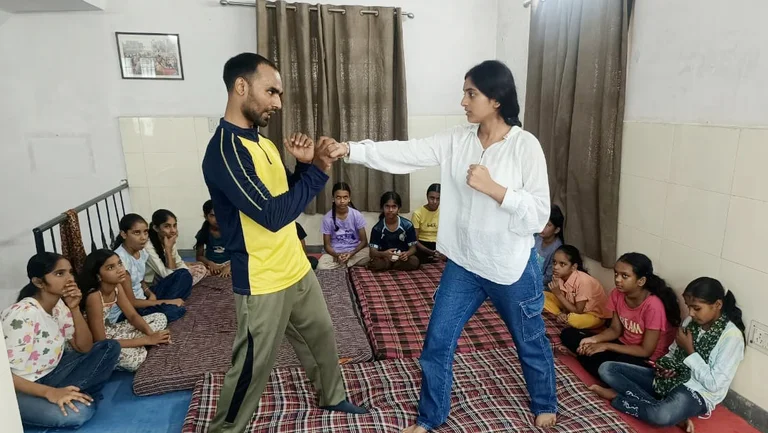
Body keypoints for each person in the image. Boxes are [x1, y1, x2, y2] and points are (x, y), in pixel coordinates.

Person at [327, 59, 557, 430]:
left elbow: (537, 216)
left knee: (530, 339)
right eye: (464, 93)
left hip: (511, 268)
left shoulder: (525, 146)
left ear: (496, 99)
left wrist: (496, 190)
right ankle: (430, 418)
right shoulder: (456, 139)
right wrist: (351, 149)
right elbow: (406, 152)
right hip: (464, 265)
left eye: (471, 93)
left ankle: (545, 401)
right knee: (436, 343)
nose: (463, 101)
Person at [201, 52, 365, 433]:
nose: (277, 102)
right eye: (271, 91)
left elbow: (285, 199)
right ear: (241, 87)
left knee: (322, 336)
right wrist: (320, 171)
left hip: (294, 265)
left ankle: (332, 396)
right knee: (252, 366)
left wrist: (306, 167)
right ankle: (225, 429)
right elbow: (272, 216)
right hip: (262, 279)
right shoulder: (225, 152)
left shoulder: (264, 145)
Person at [590, 277, 746, 432]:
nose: (690, 313)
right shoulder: (689, 323)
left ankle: (617, 398)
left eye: (696, 308)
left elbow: (714, 384)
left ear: (717, 305)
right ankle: (669, 411)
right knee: (607, 368)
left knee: (661, 416)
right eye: (688, 307)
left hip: (697, 392)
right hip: (670, 380)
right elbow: (671, 354)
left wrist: (690, 351)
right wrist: (664, 367)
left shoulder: (731, 337)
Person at [2, 253, 120, 429]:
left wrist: (74, 309)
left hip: (51, 373)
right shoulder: (23, 314)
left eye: (70, 272)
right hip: (17, 389)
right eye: (60, 274)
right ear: (38, 282)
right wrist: (50, 393)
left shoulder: (58, 305)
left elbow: (85, 347)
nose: (70, 279)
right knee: (80, 413)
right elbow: (5, 375)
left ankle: (72, 395)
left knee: (109, 347)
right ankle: (75, 397)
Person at [560, 252, 681, 379]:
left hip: (643, 357)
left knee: (608, 366)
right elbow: (615, 330)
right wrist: (594, 340)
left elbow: (646, 350)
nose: (617, 279)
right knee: (569, 334)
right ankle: (590, 360)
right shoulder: (617, 294)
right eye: (616, 273)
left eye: (625, 276)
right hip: (622, 344)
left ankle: (589, 361)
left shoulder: (653, 306)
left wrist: (605, 345)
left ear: (641, 281)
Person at [79, 249, 171, 372]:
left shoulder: (117, 286)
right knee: (134, 361)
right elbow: (101, 341)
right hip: (97, 343)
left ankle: (141, 346)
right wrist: (147, 340)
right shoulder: (94, 296)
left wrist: (151, 334)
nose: (119, 269)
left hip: (111, 330)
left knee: (160, 317)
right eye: (111, 267)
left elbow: (132, 315)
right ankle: (140, 347)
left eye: (120, 263)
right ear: (98, 276)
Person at [112, 213, 190, 323]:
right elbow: (131, 302)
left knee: (184, 274)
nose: (143, 237)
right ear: (124, 234)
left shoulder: (141, 251)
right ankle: (166, 305)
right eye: (136, 233)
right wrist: (167, 302)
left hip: (144, 298)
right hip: (130, 309)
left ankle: (165, 304)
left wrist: (150, 293)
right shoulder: (120, 261)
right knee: (175, 311)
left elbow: (140, 280)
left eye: (145, 232)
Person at [543, 245, 611, 329]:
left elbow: (578, 311)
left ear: (573, 267)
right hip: (571, 308)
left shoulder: (583, 281)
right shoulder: (559, 276)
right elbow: (566, 299)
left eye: (562, 264)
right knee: (542, 296)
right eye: (554, 262)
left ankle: (565, 318)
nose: (556, 267)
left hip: (592, 315)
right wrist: (562, 313)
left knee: (572, 319)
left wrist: (558, 294)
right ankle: (559, 315)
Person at [145, 208, 208, 286]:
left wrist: (187, 271)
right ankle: (181, 287)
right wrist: (168, 250)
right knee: (180, 278)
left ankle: (182, 285)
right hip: (153, 282)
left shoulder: (169, 238)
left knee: (200, 267)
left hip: (169, 273)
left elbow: (178, 264)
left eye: (174, 225)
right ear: (156, 228)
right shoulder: (148, 246)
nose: (173, 230)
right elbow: (167, 275)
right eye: (167, 226)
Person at [316, 182, 370, 270]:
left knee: (369, 255)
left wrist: (351, 254)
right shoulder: (327, 218)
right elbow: (327, 245)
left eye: (345, 197)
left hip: (354, 251)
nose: (342, 201)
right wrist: (337, 255)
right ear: (333, 199)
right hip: (335, 252)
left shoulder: (356, 215)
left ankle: (342, 264)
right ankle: (348, 264)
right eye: (338, 197)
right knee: (321, 266)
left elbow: (364, 241)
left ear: (349, 199)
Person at [368, 191, 420, 272]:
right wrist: (384, 254)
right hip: (385, 257)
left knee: (414, 261)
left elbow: (413, 248)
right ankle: (391, 265)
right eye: (387, 206)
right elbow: (372, 252)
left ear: (399, 208)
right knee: (376, 264)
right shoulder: (377, 228)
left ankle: (392, 266)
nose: (390, 210)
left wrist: (406, 254)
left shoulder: (407, 225)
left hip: (401, 258)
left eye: (394, 206)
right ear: (382, 208)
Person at [195, 200, 232, 278]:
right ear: (206, 217)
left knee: (245, 266)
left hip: (229, 263)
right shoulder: (203, 233)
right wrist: (209, 263)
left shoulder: (231, 231)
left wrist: (229, 266)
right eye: (213, 215)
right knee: (197, 269)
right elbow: (199, 256)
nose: (217, 219)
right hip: (211, 264)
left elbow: (240, 253)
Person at [412, 183, 444, 264]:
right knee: (414, 260)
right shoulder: (418, 213)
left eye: (438, 199)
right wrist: (430, 252)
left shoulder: (444, 213)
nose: (434, 202)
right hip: (423, 245)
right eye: (432, 198)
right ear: (427, 196)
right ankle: (431, 257)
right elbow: (414, 240)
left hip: (439, 244)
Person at [536, 204, 564, 289]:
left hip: (542, 285)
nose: (542, 227)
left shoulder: (557, 250)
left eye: (548, 225)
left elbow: (548, 278)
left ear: (556, 230)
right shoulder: (537, 237)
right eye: (542, 221)